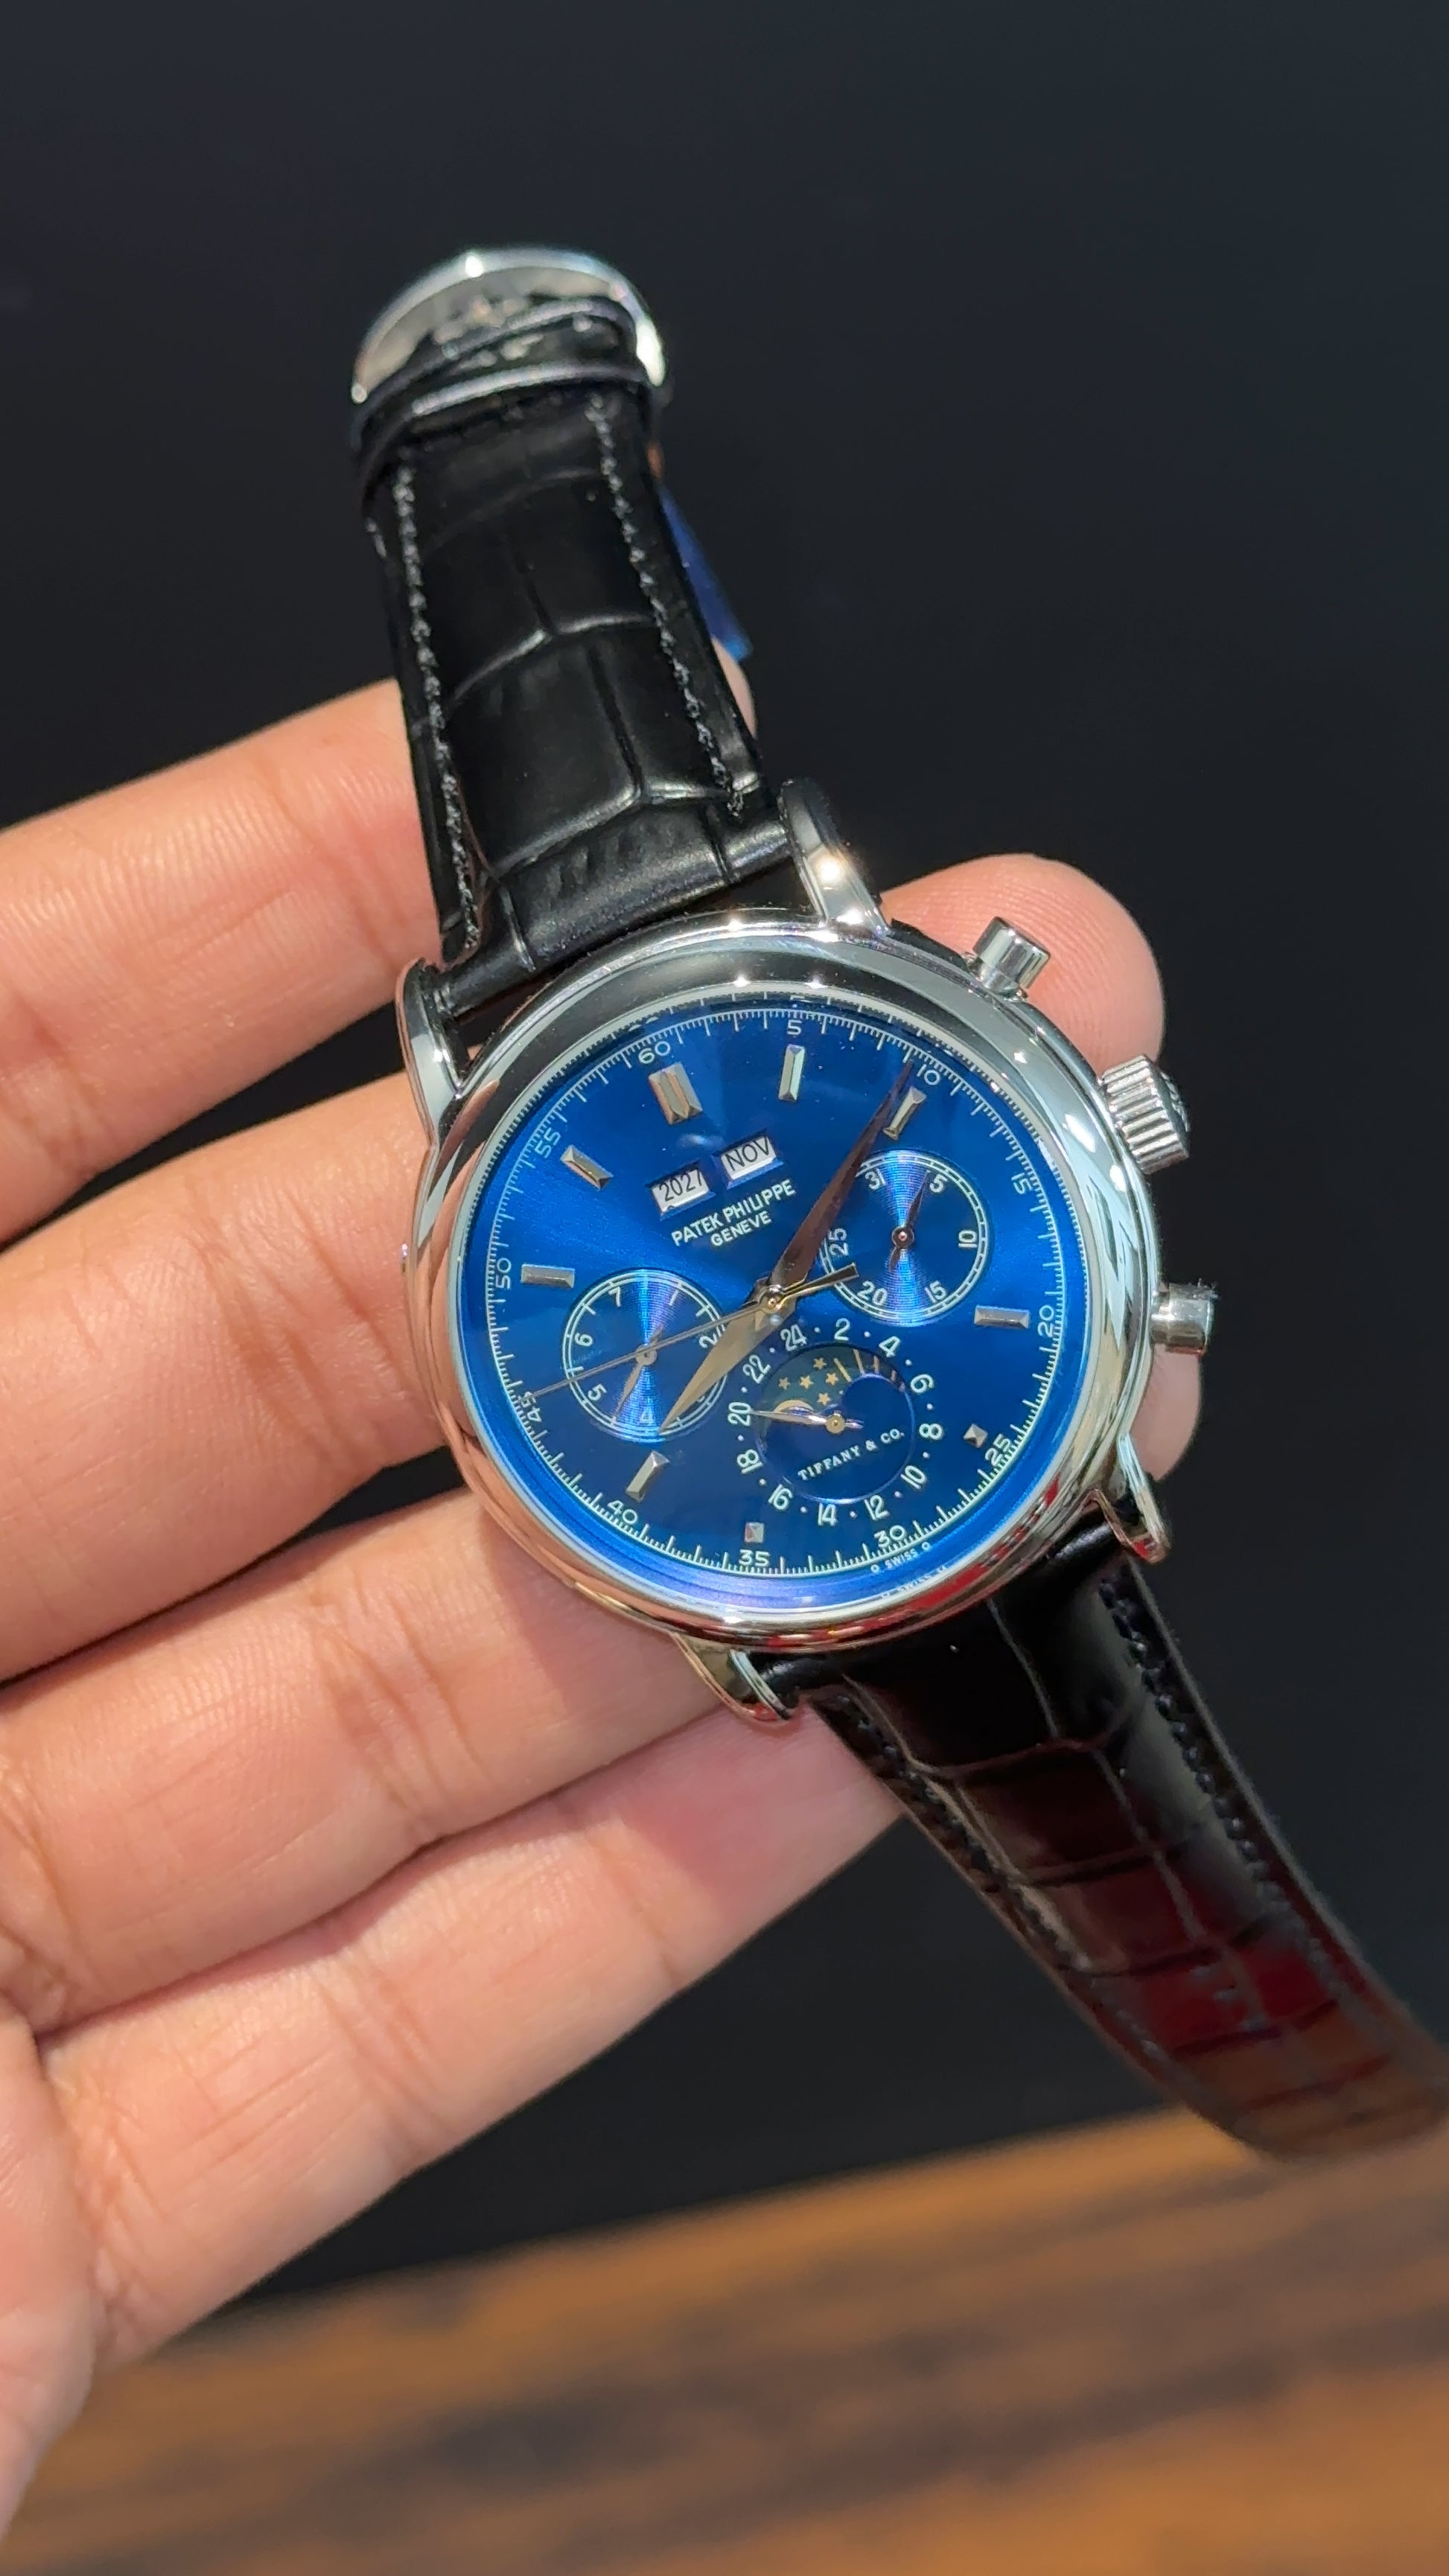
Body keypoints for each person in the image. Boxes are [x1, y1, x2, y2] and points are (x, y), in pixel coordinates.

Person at [0, 681, 1197, 2519]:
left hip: (966, 1486)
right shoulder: (536, 1324)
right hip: (810, 1543)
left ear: (1103, 1127)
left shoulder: (822, 1086)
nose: (764, 1300)